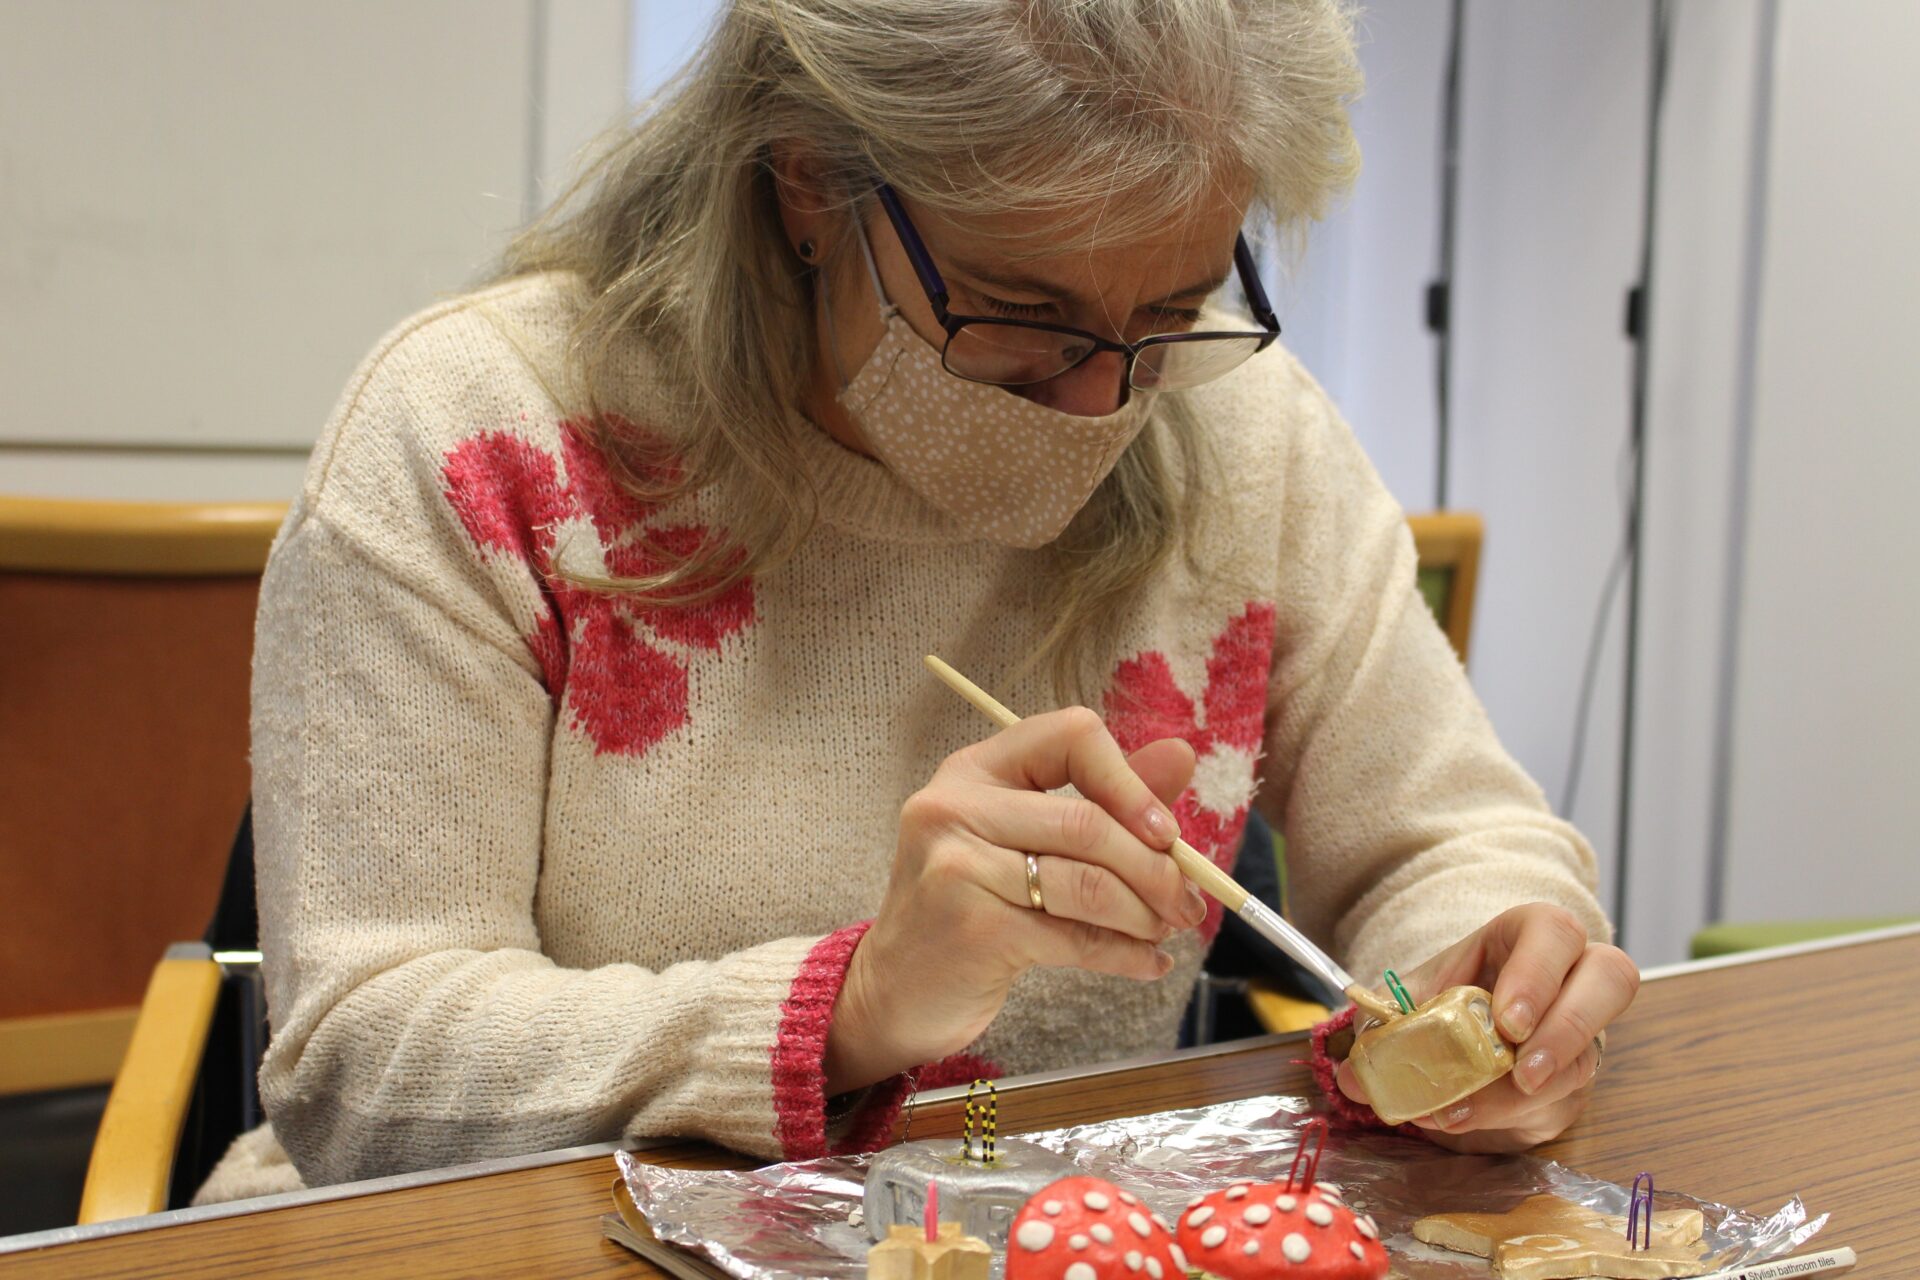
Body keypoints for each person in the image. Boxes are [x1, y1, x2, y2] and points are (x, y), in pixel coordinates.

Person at [198, 0, 1636, 1202]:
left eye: (1171, 313)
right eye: (1023, 315)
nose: (1101, 404)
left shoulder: (1245, 439)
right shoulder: (483, 434)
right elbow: (359, 1069)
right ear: (808, 178)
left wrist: (1493, 967)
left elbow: (1449, 832)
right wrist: (854, 1010)